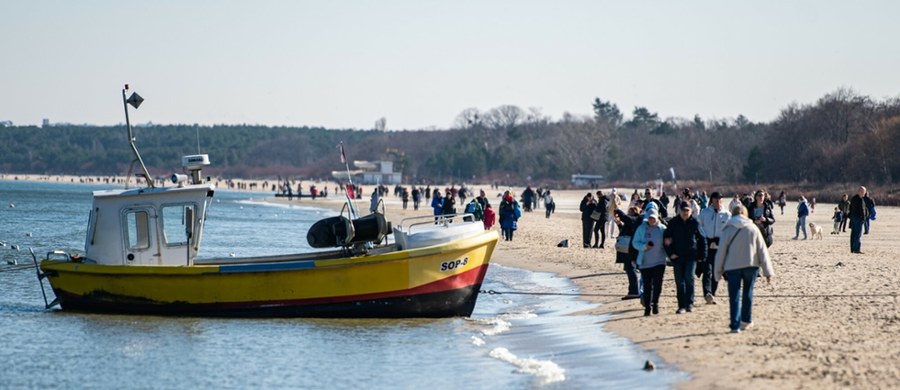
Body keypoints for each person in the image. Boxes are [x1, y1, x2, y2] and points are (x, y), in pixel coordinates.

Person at [714, 204, 775, 333]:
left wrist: (717, 271)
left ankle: (735, 325)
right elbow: (762, 251)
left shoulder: (728, 228)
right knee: (748, 293)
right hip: (751, 266)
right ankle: (746, 320)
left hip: (732, 266)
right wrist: (768, 272)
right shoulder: (753, 228)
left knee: (734, 295)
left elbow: (721, 252)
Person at [664, 202, 707, 314]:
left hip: (691, 257)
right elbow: (666, 240)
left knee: (689, 278)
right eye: (683, 210)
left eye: (687, 210)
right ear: (679, 211)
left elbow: (703, 240)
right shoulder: (673, 223)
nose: (685, 213)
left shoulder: (695, 223)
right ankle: (681, 306)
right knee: (679, 282)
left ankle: (689, 304)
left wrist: (702, 256)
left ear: (691, 211)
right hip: (677, 257)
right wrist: (670, 254)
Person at [697, 191, 730, 305]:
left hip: (720, 247)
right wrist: (705, 238)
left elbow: (730, 230)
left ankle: (713, 294)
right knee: (707, 271)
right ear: (712, 200)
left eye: (720, 199)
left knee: (717, 272)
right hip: (707, 246)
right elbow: (698, 226)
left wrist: (721, 240)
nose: (718, 201)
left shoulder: (726, 214)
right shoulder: (704, 213)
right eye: (716, 199)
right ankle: (707, 293)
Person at [633, 208, 667, 316]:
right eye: (650, 218)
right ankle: (647, 307)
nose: (652, 220)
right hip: (645, 262)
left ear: (657, 217)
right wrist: (644, 246)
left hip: (660, 261)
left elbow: (668, 242)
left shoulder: (662, 228)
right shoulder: (641, 229)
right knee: (647, 286)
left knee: (657, 284)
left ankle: (655, 303)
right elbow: (635, 242)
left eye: (653, 218)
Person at [614, 208, 641, 300]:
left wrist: (619, 211)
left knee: (631, 269)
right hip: (627, 249)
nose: (628, 213)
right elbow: (625, 231)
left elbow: (626, 218)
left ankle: (634, 291)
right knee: (629, 269)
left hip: (630, 249)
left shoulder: (635, 219)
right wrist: (619, 225)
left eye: (630, 212)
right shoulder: (632, 221)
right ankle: (632, 291)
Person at [849, 186, 868, 253]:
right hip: (858, 219)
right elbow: (862, 210)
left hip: (853, 218)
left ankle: (852, 249)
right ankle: (857, 249)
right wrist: (863, 218)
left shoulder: (853, 198)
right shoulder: (860, 200)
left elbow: (850, 208)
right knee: (857, 234)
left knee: (853, 234)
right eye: (863, 192)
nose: (864, 193)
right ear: (859, 191)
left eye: (864, 192)